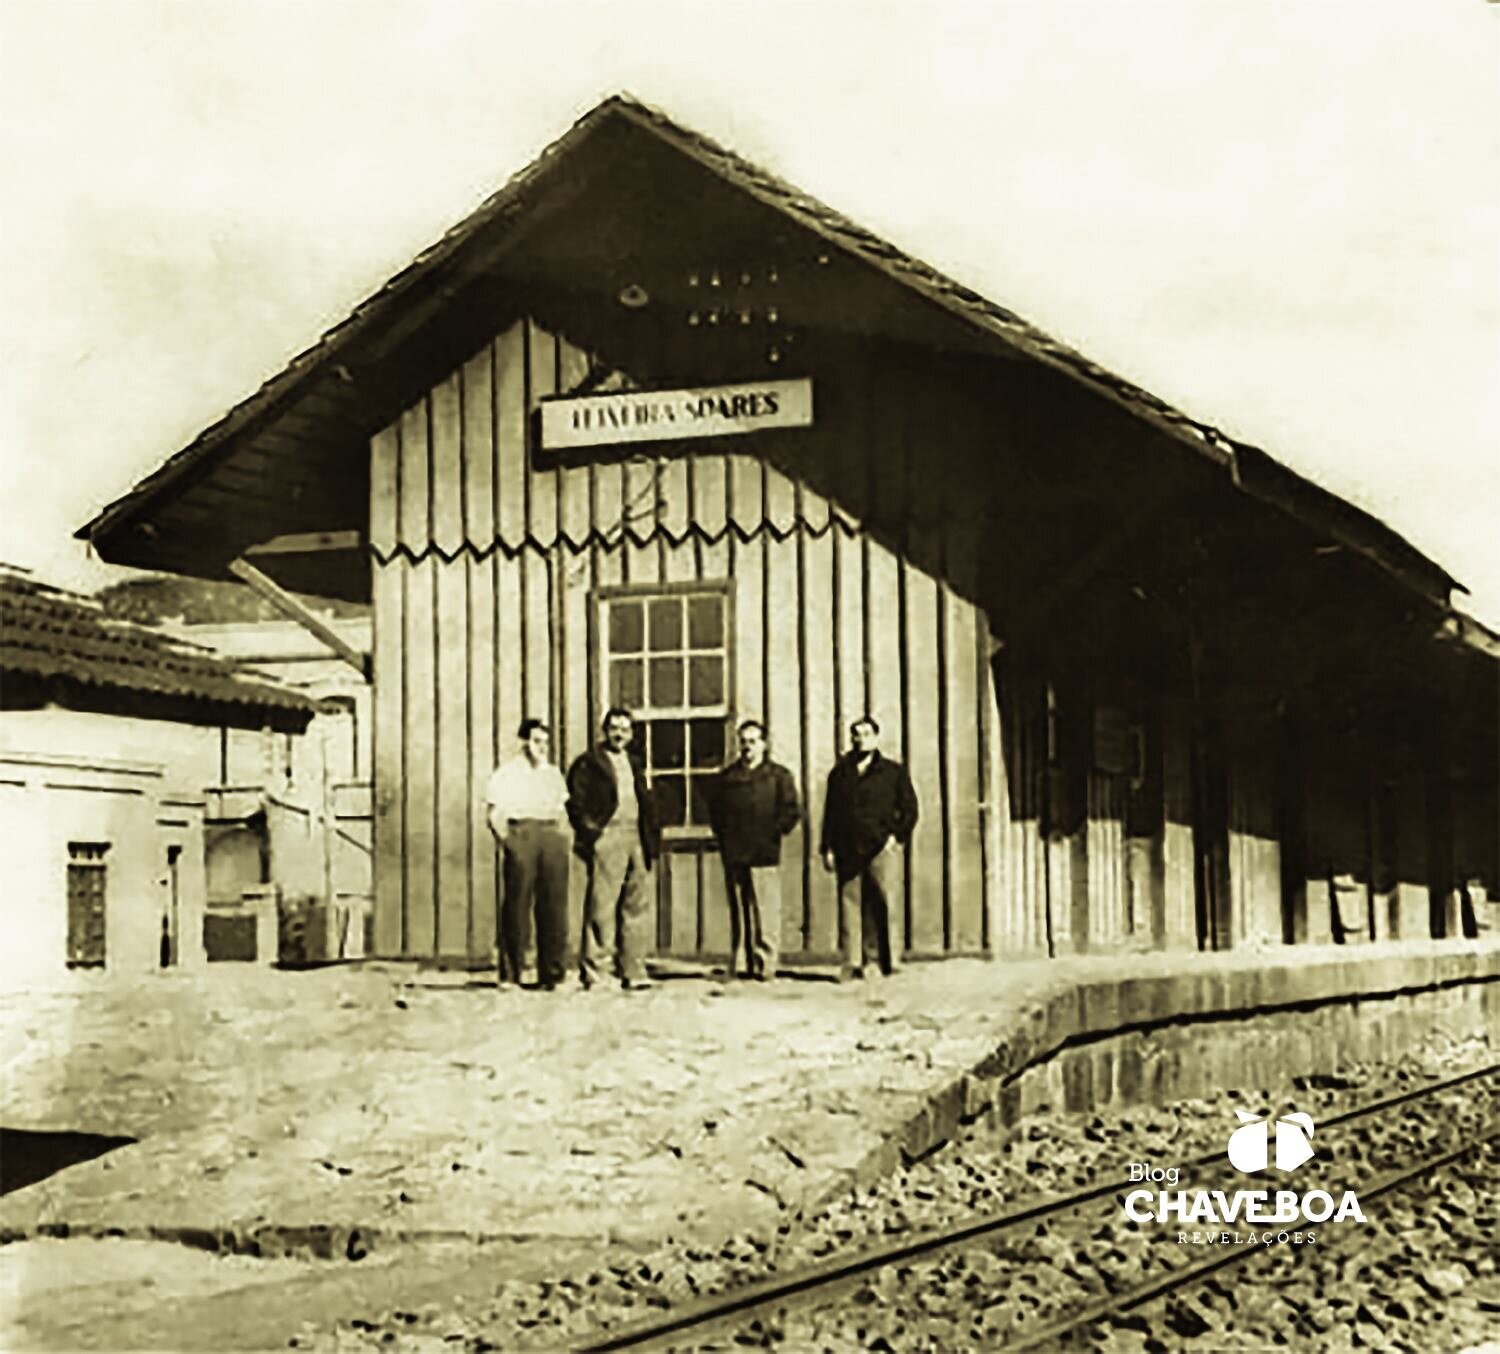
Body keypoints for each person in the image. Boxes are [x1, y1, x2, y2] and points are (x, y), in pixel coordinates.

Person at [566, 707, 660, 991]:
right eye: (614, 728)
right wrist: (594, 832)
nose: (619, 734)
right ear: (604, 731)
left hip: (636, 836)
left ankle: (633, 968)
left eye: (625, 729)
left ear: (631, 734)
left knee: (636, 904)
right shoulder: (589, 763)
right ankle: (597, 972)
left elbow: (646, 800)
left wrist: (650, 835)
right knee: (602, 906)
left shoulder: (634, 762)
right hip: (608, 835)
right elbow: (576, 803)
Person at [820, 716, 919, 978]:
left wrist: (895, 837)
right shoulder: (840, 774)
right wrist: (827, 847)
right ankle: (853, 962)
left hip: (880, 847)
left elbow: (910, 810)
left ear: (876, 738)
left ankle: (891, 960)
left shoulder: (893, 772)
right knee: (850, 904)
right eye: (856, 734)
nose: (861, 739)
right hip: (847, 848)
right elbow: (830, 813)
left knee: (887, 903)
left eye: (866, 734)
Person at [708, 719, 801, 982]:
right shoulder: (727, 778)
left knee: (766, 911)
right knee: (740, 911)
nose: (747, 747)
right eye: (744, 742)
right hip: (735, 852)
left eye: (753, 741)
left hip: (764, 853)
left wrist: (773, 833)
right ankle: (741, 962)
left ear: (764, 744)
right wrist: (725, 839)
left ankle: (766, 964)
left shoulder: (778, 776)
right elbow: (716, 813)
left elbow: (791, 810)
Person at [485, 718, 570, 990]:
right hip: (521, 833)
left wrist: (560, 838)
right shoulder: (507, 774)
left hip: (550, 835)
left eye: (545, 742)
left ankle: (551, 973)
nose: (541, 747)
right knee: (517, 905)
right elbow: (494, 814)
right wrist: (509, 843)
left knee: (554, 906)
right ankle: (511, 973)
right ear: (523, 743)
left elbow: (562, 810)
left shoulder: (553, 774)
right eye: (536, 741)